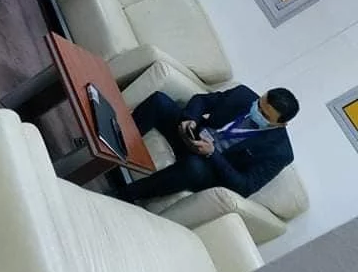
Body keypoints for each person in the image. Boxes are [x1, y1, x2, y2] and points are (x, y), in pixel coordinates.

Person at [110, 85, 299, 203]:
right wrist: (190, 118)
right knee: (159, 101)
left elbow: (245, 186)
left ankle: (125, 194)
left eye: (264, 115)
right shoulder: (243, 94)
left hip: (209, 167)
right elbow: (202, 100)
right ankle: (111, 150)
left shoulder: (280, 152)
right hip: (193, 134)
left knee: (193, 168)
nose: (256, 110)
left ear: (281, 124)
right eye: (259, 104)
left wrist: (212, 153)